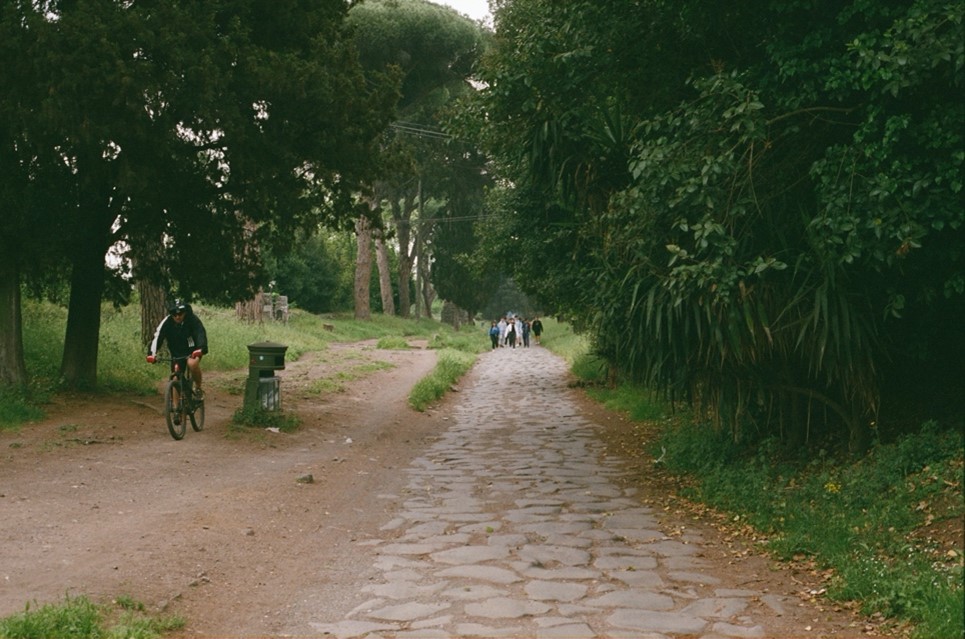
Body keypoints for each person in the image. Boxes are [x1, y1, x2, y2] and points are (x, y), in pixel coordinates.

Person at [147, 299, 209, 400]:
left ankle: (198, 388)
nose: (177, 316)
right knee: (175, 378)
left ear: (185, 312)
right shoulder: (167, 322)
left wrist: (202, 348)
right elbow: (158, 337)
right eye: (174, 314)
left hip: (192, 351)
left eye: (180, 313)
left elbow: (200, 333)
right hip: (176, 353)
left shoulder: (192, 319)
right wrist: (151, 354)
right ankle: (177, 411)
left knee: (192, 364)